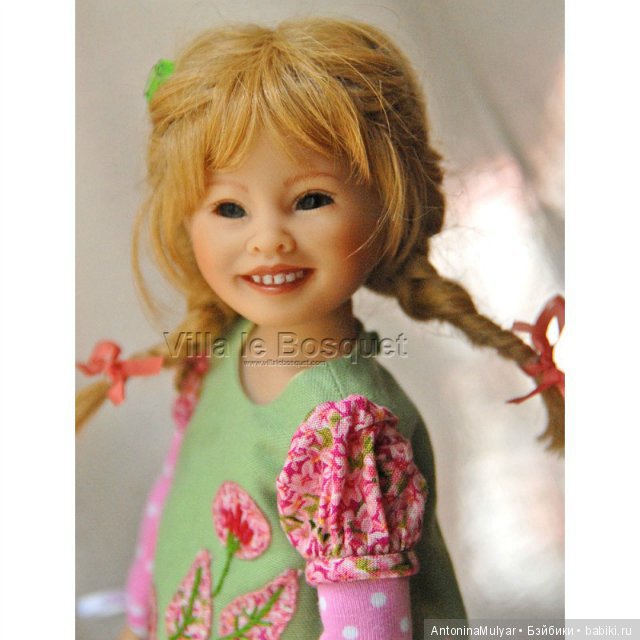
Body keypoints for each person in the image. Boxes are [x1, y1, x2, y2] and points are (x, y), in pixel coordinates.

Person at [77, 17, 564, 640]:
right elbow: (178, 502)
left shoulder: (344, 426)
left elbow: (371, 627)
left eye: (311, 200)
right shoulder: (224, 348)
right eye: (230, 208)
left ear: (388, 204)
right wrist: (139, 619)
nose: (268, 238)